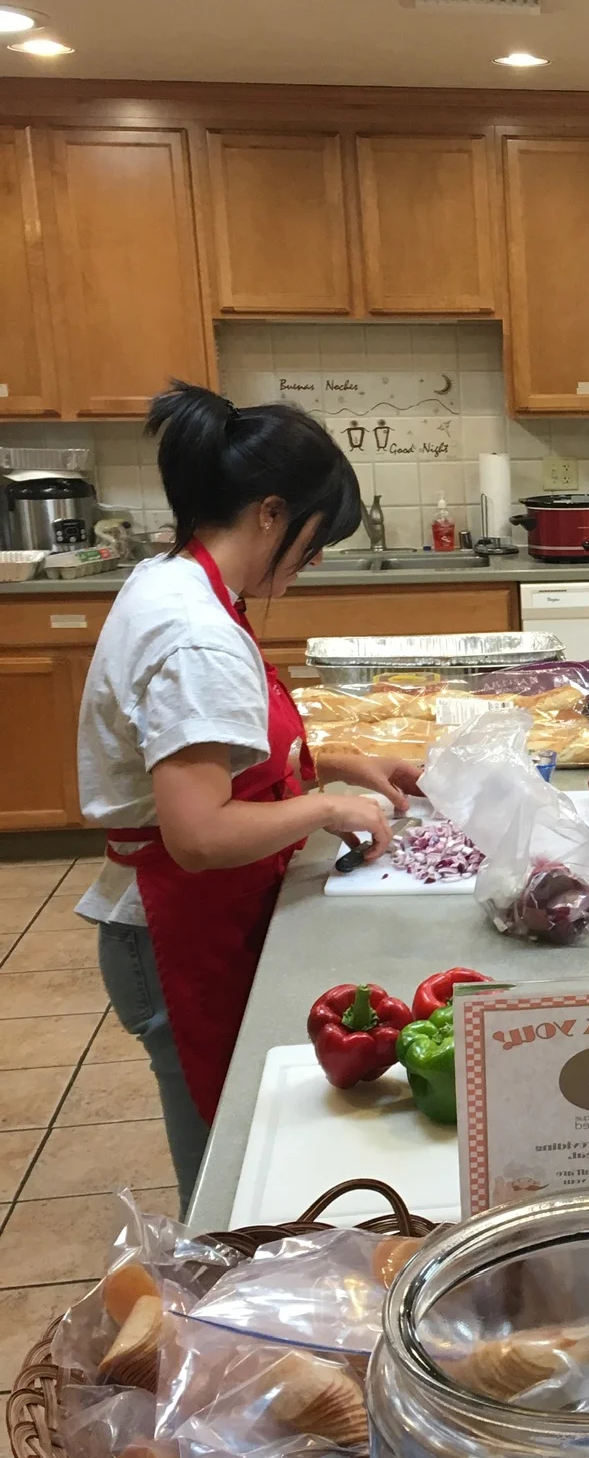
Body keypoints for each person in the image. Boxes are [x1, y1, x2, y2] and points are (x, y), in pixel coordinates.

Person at [75, 383, 419, 1207]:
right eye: (314, 537)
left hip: (194, 915)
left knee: (239, 1153)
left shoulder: (178, 582)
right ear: (270, 513)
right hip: (173, 929)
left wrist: (333, 762)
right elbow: (198, 832)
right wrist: (326, 808)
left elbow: (211, 755)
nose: (313, 559)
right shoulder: (194, 633)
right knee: (226, 1186)